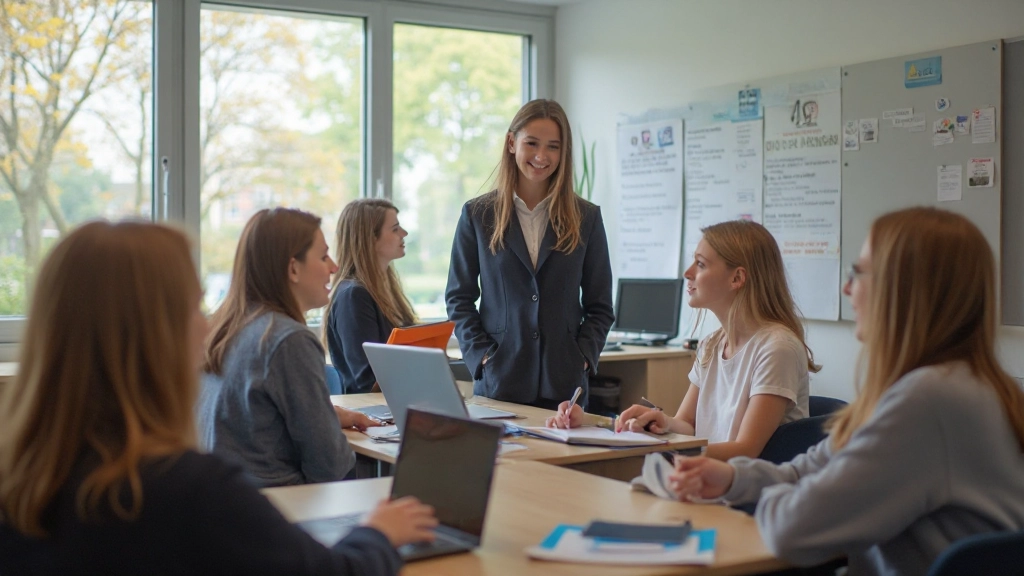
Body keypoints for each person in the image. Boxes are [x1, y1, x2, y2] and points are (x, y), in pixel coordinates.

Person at [0, 221, 436, 575]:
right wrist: (380, 532)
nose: (206, 327)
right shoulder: (188, 492)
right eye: (194, 307)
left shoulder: (21, 477)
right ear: (153, 337)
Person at [670, 208, 1024, 575]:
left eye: (860, 272)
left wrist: (762, 492)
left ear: (903, 289)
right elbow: (807, 471)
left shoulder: (929, 401)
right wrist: (733, 479)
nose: (847, 288)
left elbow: (791, 530)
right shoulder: (960, 385)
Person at [549, 220, 816, 463]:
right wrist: (658, 422)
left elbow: (745, 450)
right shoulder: (712, 344)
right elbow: (688, 425)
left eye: (700, 264)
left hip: (749, 493)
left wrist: (659, 450)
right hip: (705, 479)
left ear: (737, 278)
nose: (688, 273)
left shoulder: (777, 348)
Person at [446, 98, 614, 409]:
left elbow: (600, 305)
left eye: (553, 146)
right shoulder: (478, 214)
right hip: (500, 380)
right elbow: (458, 298)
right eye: (532, 143)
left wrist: (584, 358)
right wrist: (481, 356)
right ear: (512, 143)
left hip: (565, 386)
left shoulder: (586, 217)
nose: (541, 156)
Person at [199, 208, 378, 487]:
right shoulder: (287, 339)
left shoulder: (224, 328)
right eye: (323, 256)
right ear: (293, 268)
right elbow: (330, 464)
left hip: (224, 502)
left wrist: (325, 417)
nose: (333, 266)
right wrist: (326, 428)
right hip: (278, 507)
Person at [324, 199, 417, 394]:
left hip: (396, 402)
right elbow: (367, 380)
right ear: (370, 239)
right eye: (395, 229)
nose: (404, 234)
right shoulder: (353, 296)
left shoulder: (388, 290)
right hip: (372, 410)